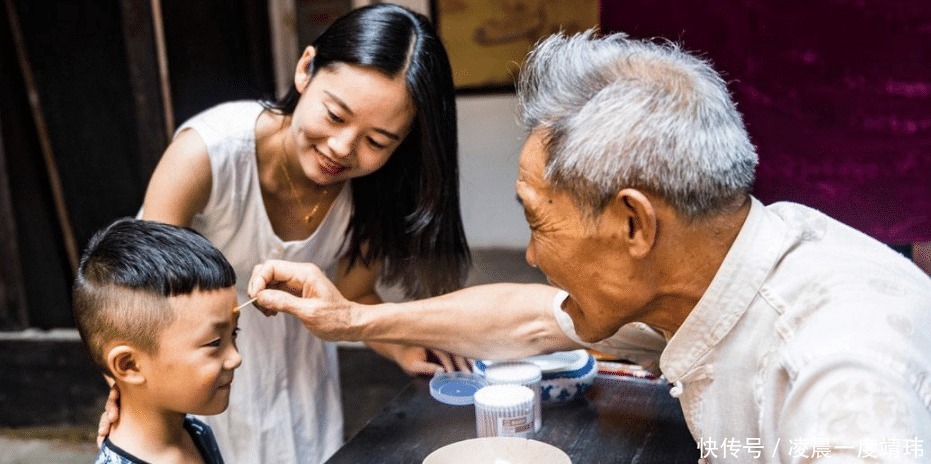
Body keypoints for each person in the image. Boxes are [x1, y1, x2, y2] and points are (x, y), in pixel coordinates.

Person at [247, 30, 931, 461]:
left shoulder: (833, 364)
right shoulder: (716, 266)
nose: (533, 255)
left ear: (634, 224)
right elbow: (527, 318)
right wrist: (352, 320)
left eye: (538, 222)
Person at [98, 4, 471, 463]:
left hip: (302, 386)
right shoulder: (205, 157)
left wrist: (403, 345)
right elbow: (137, 301)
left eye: (377, 141)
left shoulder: (376, 190)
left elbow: (356, 295)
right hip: (203, 383)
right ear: (305, 69)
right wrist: (129, 396)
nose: (342, 148)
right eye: (335, 116)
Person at [74, 218, 241, 464]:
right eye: (215, 343)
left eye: (234, 334)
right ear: (129, 364)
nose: (236, 358)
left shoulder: (193, 431)